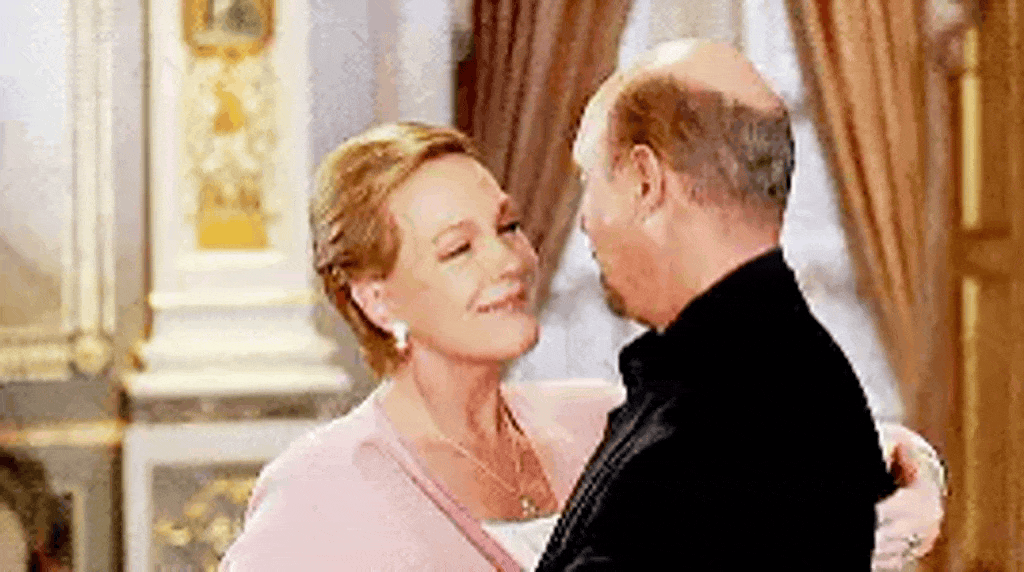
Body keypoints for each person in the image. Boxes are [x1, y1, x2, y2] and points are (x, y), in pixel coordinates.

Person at [220, 122, 943, 571]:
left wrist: (920, 479)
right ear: (376, 300)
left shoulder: (597, 419)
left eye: (507, 226)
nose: (509, 261)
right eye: (458, 249)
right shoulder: (323, 488)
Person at [535, 39, 939, 571]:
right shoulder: (770, 379)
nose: (585, 220)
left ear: (644, 182)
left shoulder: (711, 431)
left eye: (590, 181)